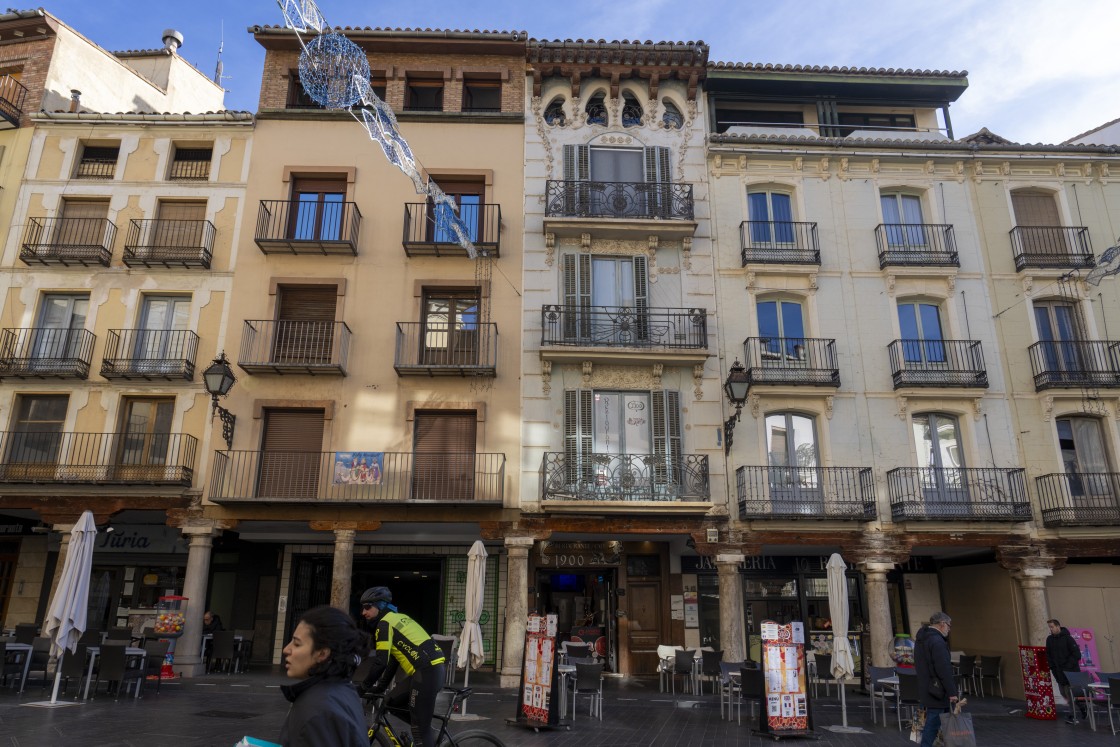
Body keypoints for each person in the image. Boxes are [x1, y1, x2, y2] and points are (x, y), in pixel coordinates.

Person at [359, 586, 447, 747]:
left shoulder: (384, 624)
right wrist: (379, 688)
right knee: (391, 702)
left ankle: (425, 731)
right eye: (362, 608)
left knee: (420, 731)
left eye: (367, 607)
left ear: (380, 605)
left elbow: (380, 662)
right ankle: (428, 730)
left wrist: (363, 687)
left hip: (427, 672)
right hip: (427, 671)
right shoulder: (398, 618)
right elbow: (393, 660)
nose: (363, 613)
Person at [279, 605, 369, 747]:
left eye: (296, 644)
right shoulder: (343, 690)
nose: (286, 649)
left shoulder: (316, 712)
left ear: (322, 654)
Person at [914, 611, 958, 747]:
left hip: (924, 689)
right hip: (936, 692)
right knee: (932, 726)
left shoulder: (921, 639)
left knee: (923, 726)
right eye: (949, 626)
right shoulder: (937, 641)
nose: (949, 629)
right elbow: (943, 669)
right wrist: (952, 692)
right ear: (942, 624)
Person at [1045, 618, 1083, 723]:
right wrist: (1052, 667)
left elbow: (1076, 654)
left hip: (1070, 672)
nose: (1051, 629)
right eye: (1049, 627)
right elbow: (1048, 654)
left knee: (1069, 693)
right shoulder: (1049, 639)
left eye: (1052, 627)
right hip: (1058, 672)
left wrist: (1067, 666)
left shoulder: (1068, 638)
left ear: (1058, 626)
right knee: (1063, 692)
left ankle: (1073, 716)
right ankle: (1082, 706)